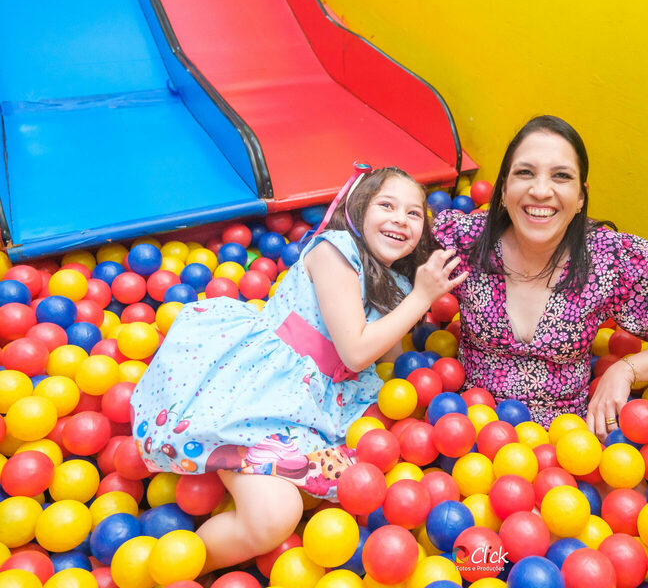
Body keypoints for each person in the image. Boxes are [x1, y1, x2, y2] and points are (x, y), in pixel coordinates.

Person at [130, 165, 466, 571]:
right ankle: (170, 571)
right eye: (387, 205)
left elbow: (388, 357)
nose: (401, 219)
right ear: (358, 210)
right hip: (258, 388)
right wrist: (422, 298)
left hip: (316, 402)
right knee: (275, 515)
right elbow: (357, 352)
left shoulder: (395, 282)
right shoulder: (335, 251)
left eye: (414, 213)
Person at [433, 115, 648, 438]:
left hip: (569, 446)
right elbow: (394, 272)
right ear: (504, 189)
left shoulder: (609, 259)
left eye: (561, 176)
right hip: (465, 433)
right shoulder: (463, 240)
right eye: (525, 173)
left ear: (580, 197)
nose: (540, 190)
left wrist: (626, 370)